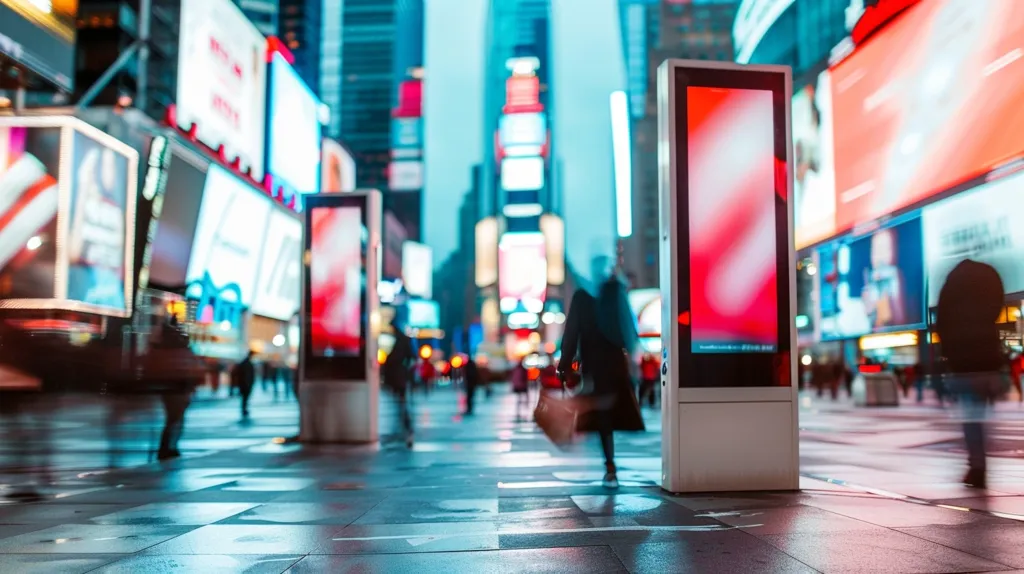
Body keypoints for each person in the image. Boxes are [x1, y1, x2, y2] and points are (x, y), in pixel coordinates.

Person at [558, 276, 645, 489]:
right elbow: (628, 330)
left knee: (602, 417)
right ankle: (610, 465)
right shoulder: (615, 292)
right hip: (615, 364)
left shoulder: (582, 296)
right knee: (609, 413)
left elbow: (571, 332)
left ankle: (609, 465)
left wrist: (565, 363)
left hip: (594, 367)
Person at [935, 259, 1006, 488]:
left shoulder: (951, 287)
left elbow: (941, 322)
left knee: (971, 418)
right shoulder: (989, 278)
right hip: (988, 361)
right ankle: (980, 461)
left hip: (964, 365)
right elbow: (998, 304)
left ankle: (977, 466)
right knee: (982, 415)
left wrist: (948, 355)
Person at [157, 317, 197, 461]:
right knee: (175, 420)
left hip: (175, 390)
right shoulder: (181, 351)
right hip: (178, 390)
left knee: (173, 420)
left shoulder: (168, 349)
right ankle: (169, 447)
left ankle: (168, 447)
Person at [384, 315, 416, 447]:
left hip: (397, 377)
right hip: (400, 376)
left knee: (401, 405)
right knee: (401, 405)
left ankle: (406, 430)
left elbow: (398, 358)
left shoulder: (399, 341)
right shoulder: (403, 340)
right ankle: (405, 430)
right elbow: (411, 357)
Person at [234, 350, 256, 420]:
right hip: (245, 384)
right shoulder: (247, 363)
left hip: (245, 383)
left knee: (245, 398)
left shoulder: (245, 362)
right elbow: (246, 375)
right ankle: (244, 409)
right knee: (245, 398)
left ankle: (244, 409)